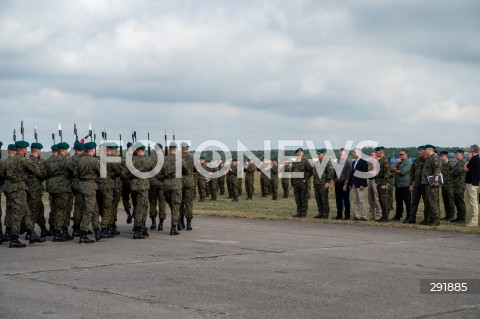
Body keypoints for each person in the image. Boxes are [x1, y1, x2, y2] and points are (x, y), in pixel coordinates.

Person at [1, 141, 44, 248]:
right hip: (19, 188)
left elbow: (2, 173)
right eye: (26, 149)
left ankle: (32, 233)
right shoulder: (23, 160)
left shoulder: (8, 161)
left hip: (10, 188)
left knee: (25, 211)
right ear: (23, 149)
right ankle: (14, 238)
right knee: (18, 213)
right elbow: (35, 170)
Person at [46, 142, 75, 241]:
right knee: (62, 209)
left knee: (54, 208)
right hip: (62, 186)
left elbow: (45, 172)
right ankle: (58, 232)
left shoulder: (50, 160)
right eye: (66, 150)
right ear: (64, 150)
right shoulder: (66, 159)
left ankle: (56, 229)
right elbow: (74, 170)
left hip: (51, 185)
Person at [162, 142, 187, 235]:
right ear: (176, 150)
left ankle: (178, 223)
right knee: (176, 205)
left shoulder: (163, 160)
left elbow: (159, 173)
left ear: (169, 149)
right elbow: (186, 170)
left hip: (166, 185)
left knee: (171, 205)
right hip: (176, 185)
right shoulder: (179, 159)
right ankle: (174, 226)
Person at [77, 142, 100, 243]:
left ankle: (97, 230)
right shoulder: (94, 160)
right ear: (92, 150)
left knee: (94, 209)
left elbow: (75, 173)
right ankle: (83, 233)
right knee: (88, 210)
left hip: (81, 185)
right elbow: (102, 172)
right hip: (90, 186)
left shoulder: (80, 160)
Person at [421, 144, 442, 226]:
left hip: (432, 184)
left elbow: (437, 168)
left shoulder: (434, 158)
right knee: (429, 202)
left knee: (433, 202)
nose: (425, 151)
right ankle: (431, 218)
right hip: (427, 183)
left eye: (425, 150)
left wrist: (436, 180)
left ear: (429, 150)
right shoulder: (429, 159)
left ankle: (436, 220)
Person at [291, 148, 313, 218]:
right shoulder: (294, 162)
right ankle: (298, 212)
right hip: (296, 183)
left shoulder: (305, 161)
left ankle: (303, 213)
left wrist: (305, 179)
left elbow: (310, 171)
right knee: (297, 199)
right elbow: (292, 173)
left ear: (302, 153)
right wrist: (291, 183)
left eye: (300, 152)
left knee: (303, 198)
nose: (299, 153)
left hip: (303, 184)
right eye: (298, 152)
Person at [391, 149, 412, 221]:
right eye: (399, 154)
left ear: (406, 155)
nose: (400, 156)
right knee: (398, 201)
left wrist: (395, 170)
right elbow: (391, 169)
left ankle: (409, 216)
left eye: (402, 154)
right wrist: (396, 163)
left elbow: (403, 172)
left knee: (407, 201)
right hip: (398, 184)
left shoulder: (408, 163)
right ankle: (398, 215)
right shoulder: (399, 162)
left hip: (405, 184)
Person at [313, 149, 332, 219]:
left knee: (324, 199)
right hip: (316, 184)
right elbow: (314, 173)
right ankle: (320, 212)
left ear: (323, 154)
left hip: (323, 184)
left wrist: (328, 182)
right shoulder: (316, 162)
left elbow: (329, 173)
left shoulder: (327, 162)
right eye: (317, 154)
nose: (318, 155)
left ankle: (325, 214)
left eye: (319, 154)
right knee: (318, 199)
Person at [179, 142, 195, 231]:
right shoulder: (192, 157)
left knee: (180, 203)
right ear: (187, 148)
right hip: (189, 181)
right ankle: (189, 224)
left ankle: (181, 223)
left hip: (180, 181)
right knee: (189, 203)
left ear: (181, 148)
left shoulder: (178, 157)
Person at [333, 148, 352, 220]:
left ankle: (347, 216)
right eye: (340, 154)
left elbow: (348, 174)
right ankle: (339, 215)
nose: (340, 155)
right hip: (337, 183)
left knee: (346, 200)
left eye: (342, 154)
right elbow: (334, 172)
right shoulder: (337, 162)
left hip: (344, 183)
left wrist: (346, 184)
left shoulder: (348, 163)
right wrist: (332, 180)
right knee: (338, 200)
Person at [350, 148, 369, 221]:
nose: (353, 153)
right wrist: (350, 184)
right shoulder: (354, 162)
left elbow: (364, 174)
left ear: (359, 153)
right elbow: (352, 174)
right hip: (354, 184)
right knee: (355, 200)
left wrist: (362, 184)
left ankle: (364, 216)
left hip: (360, 184)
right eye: (353, 152)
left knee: (361, 200)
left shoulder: (363, 162)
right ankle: (357, 215)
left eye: (354, 152)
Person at [464, 144, 479, 227]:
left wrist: (468, 159)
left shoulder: (474, 159)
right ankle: (475, 220)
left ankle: (474, 221)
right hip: (476, 182)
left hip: (471, 183)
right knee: (475, 202)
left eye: (470, 150)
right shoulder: (478, 159)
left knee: (473, 202)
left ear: (472, 151)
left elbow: (465, 168)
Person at [375, 146, 391, 222]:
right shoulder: (380, 160)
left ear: (381, 151)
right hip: (379, 182)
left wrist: (384, 184)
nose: (376, 153)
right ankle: (383, 216)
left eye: (377, 151)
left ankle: (386, 216)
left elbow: (387, 173)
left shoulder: (385, 161)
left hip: (383, 183)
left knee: (384, 200)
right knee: (381, 200)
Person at [450, 149, 467, 224]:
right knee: (457, 202)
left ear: (462, 155)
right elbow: (452, 172)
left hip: (460, 185)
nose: (456, 155)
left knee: (460, 202)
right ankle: (459, 217)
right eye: (455, 154)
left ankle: (462, 218)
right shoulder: (457, 163)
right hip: (456, 185)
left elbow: (455, 172)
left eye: (458, 154)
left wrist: (452, 172)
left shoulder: (462, 163)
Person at [439, 151, 455, 221]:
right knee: (445, 201)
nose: (442, 157)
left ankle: (451, 216)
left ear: (446, 156)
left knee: (450, 201)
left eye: (443, 156)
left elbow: (453, 174)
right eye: (441, 156)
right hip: (443, 185)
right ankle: (447, 215)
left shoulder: (450, 165)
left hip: (449, 186)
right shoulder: (442, 165)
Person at [367, 151, 382, 221]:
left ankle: (379, 214)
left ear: (376, 156)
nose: (371, 157)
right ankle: (371, 214)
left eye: (372, 155)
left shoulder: (378, 163)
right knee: (370, 199)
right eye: (370, 155)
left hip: (375, 181)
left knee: (377, 199)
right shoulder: (370, 164)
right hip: (370, 181)